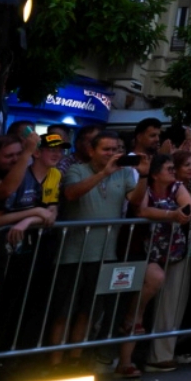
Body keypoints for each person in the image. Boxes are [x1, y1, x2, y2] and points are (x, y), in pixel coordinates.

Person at [48, 129, 137, 364]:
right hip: (73, 253)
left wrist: (146, 177)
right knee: (63, 310)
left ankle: (74, 360)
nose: (111, 154)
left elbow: (136, 201)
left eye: (115, 149)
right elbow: (71, 193)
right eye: (106, 149)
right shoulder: (77, 169)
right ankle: (55, 362)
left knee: (88, 310)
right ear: (91, 151)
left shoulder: (125, 172)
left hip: (106, 252)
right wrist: (104, 173)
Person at [116, 152, 191, 377]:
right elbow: (141, 209)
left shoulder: (177, 187)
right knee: (147, 289)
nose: (173, 172)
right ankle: (124, 357)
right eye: (169, 169)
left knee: (140, 312)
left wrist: (184, 213)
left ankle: (126, 362)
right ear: (155, 174)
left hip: (168, 250)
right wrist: (171, 214)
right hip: (140, 249)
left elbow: (190, 208)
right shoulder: (143, 187)